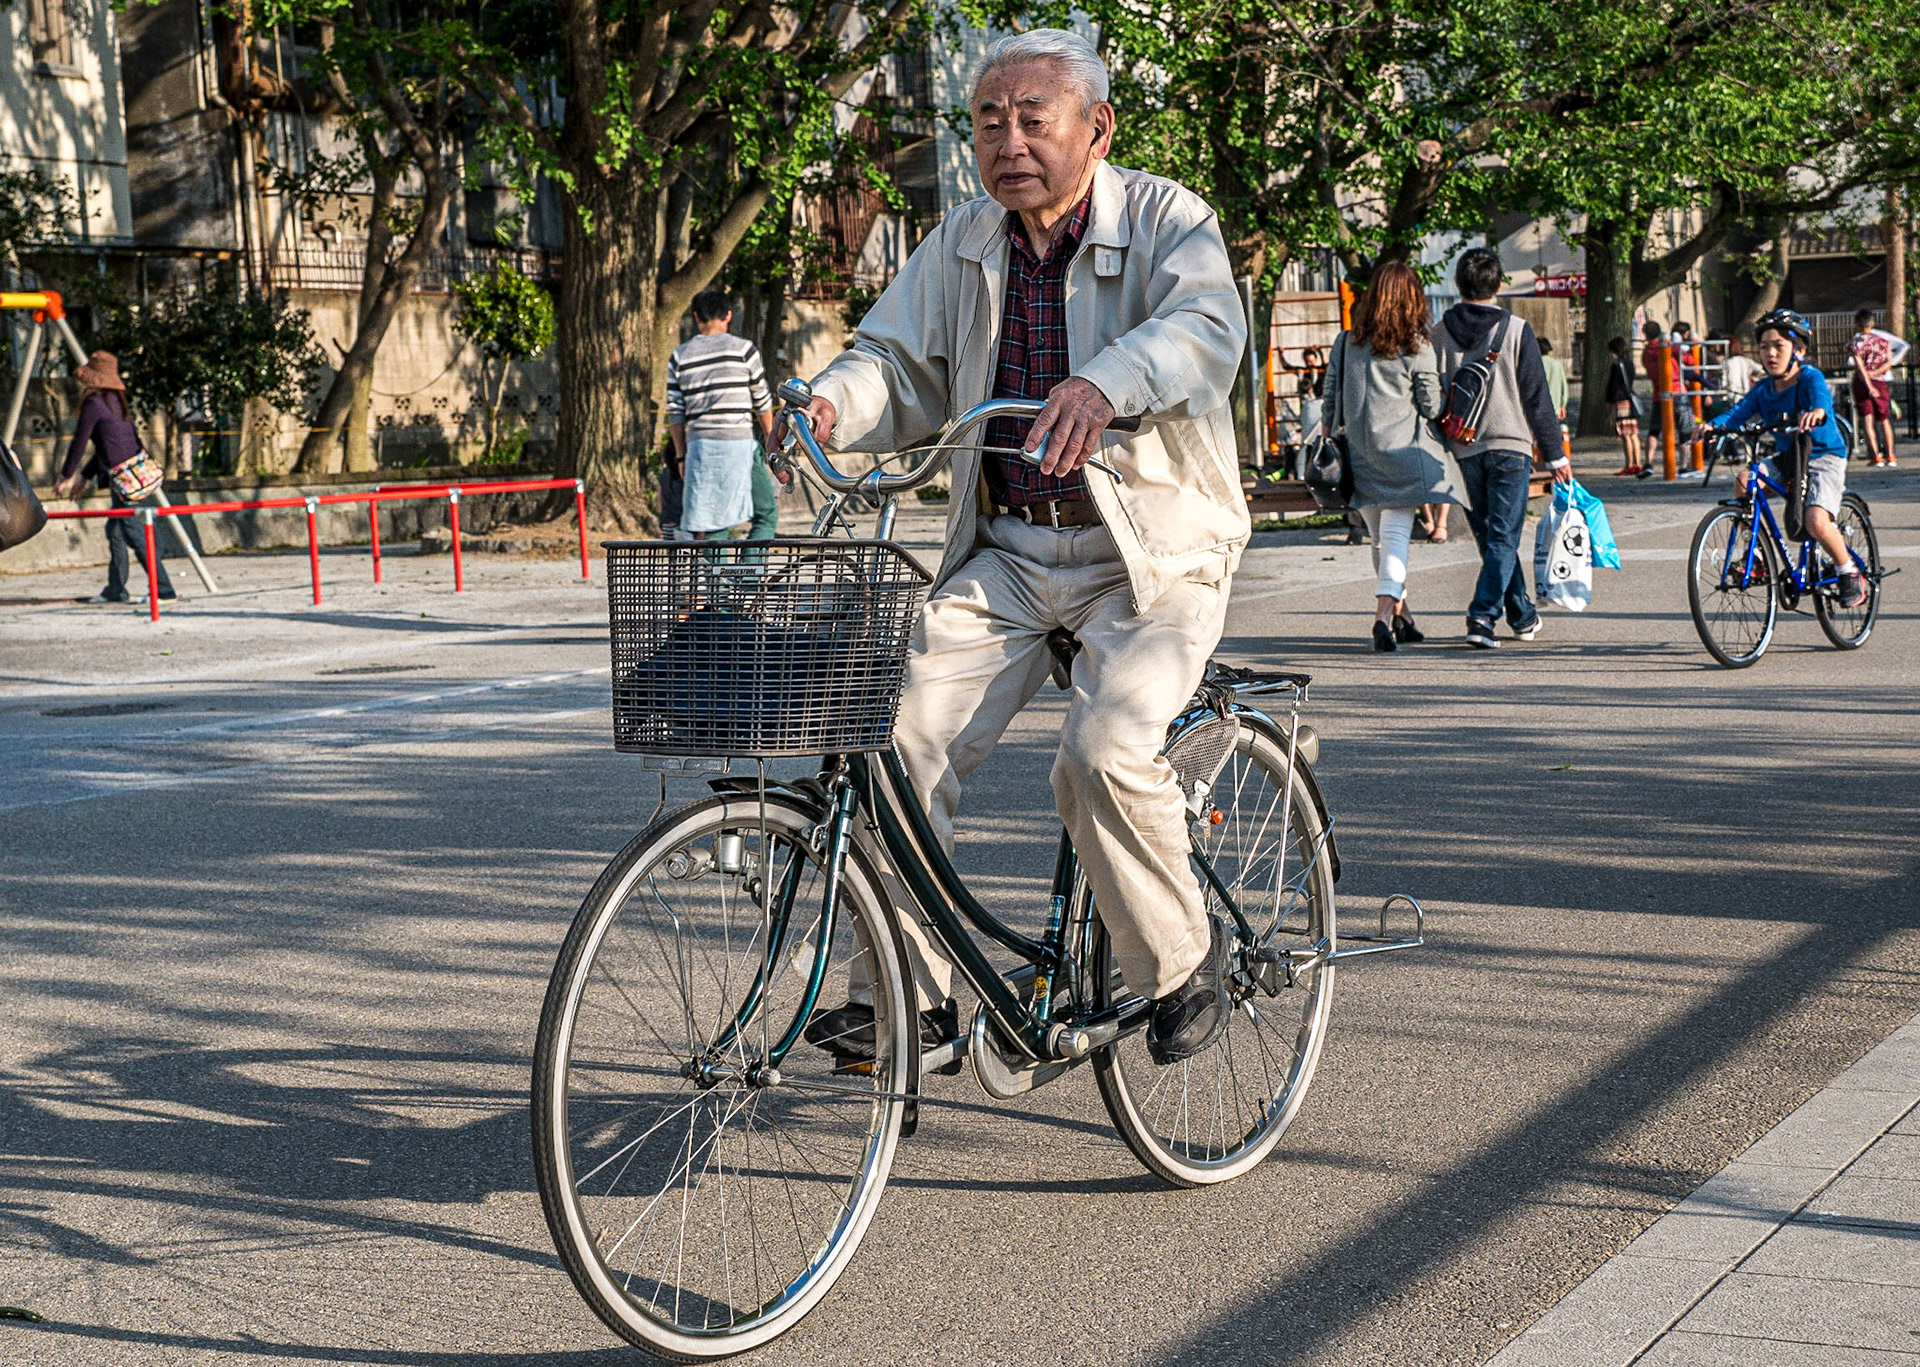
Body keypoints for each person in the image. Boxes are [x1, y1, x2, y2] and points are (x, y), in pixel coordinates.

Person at [786, 28, 1250, 1066]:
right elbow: (894, 361)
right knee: (892, 735)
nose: (1010, 143)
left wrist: (1106, 382)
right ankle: (912, 996)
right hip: (1009, 550)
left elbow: (1208, 330)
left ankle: (1181, 960)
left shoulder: (1169, 219)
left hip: (1150, 556)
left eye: (1033, 120)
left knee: (1102, 752)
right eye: (990, 123)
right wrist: (832, 401)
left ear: (1097, 129)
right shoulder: (964, 238)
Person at [1432, 248, 1571, 650]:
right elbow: (1537, 397)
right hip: (1511, 446)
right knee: (1503, 536)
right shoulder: (1515, 329)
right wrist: (1556, 454)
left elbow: (1432, 395)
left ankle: (1522, 615)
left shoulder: (1438, 334)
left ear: (1457, 283)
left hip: (1463, 449)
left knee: (1493, 537)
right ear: (1498, 284)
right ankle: (1482, 616)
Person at [1321, 261, 1463, 652]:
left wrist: (1327, 436)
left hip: (1359, 455)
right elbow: (1431, 406)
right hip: (1404, 454)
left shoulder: (1346, 342)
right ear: (1413, 300)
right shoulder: (1417, 347)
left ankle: (1404, 616)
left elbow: (1330, 397)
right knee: (1395, 535)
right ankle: (1383, 617)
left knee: (1379, 540)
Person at [1701, 309, 1868, 607]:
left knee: (1815, 520)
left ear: (1799, 351)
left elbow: (1821, 399)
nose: (1770, 353)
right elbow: (1738, 413)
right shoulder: (1763, 389)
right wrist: (1713, 426)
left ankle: (1848, 570)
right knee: (1745, 482)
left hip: (1823, 456)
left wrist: (1817, 411)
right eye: (1764, 347)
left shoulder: (1809, 377)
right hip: (1789, 457)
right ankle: (1757, 557)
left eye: (1779, 346)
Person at [54, 351, 174, 605]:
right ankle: (115, 589)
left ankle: (164, 590)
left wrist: (65, 476)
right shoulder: (117, 402)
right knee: (116, 531)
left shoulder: (94, 404)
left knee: (133, 532)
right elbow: (107, 447)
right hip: (133, 475)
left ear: (93, 378)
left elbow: (79, 442)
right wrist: (83, 477)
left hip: (125, 481)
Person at [665, 288, 778, 540]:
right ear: (728, 315)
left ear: (696, 317)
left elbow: (675, 413)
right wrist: (770, 438)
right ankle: (751, 566)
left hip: (701, 449)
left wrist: (681, 457)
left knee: (713, 523)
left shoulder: (679, 356)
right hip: (739, 444)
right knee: (766, 515)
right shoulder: (744, 350)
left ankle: (718, 569)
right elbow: (762, 400)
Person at [1848, 308, 1909, 468]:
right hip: (1881, 381)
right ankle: (1891, 455)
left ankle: (1876, 456)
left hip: (1862, 383)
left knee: (1867, 419)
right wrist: (1876, 373)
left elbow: (1859, 366)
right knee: (1884, 419)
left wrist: (1868, 381)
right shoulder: (1882, 341)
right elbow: (1888, 362)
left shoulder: (1857, 342)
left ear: (1858, 324)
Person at [1604, 336, 1644, 475]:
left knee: (1625, 435)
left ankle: (1629, 464)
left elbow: (1612, 386)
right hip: (1630, 400)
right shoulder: (1630, 363)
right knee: (1633, 434)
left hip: (1620, 402)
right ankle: (1638, 463)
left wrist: (1609, 402)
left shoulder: (1616, 365)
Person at [1539, 334, 1571, 460]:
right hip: (1556, 406)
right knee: (1555, 435)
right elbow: (1564, 386)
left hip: (1540, 407)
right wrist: (1563, 404)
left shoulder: (1535, 364)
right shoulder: (1557, 364)